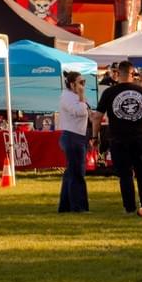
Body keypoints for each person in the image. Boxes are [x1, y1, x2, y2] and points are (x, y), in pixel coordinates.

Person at [91, 61, 142, 214]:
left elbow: (97, 117)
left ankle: (129, 208)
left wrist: (94, 137)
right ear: (132, 74)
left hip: (118, 139)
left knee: (125, 175)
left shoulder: (109, 92)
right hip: (139, 138)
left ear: (118, 73)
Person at [57, 70, 90, 213]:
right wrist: (82, 96)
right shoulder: (68, 97)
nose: (83, 86)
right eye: (81, 82)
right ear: (72, 84)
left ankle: (65, 206)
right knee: (77, 172)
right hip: (72, 136)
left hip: (77, 135)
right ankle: (78, 206)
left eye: (84, 82)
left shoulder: (72, 96)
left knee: (71, 172)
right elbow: (80, 112)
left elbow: (85, 111)